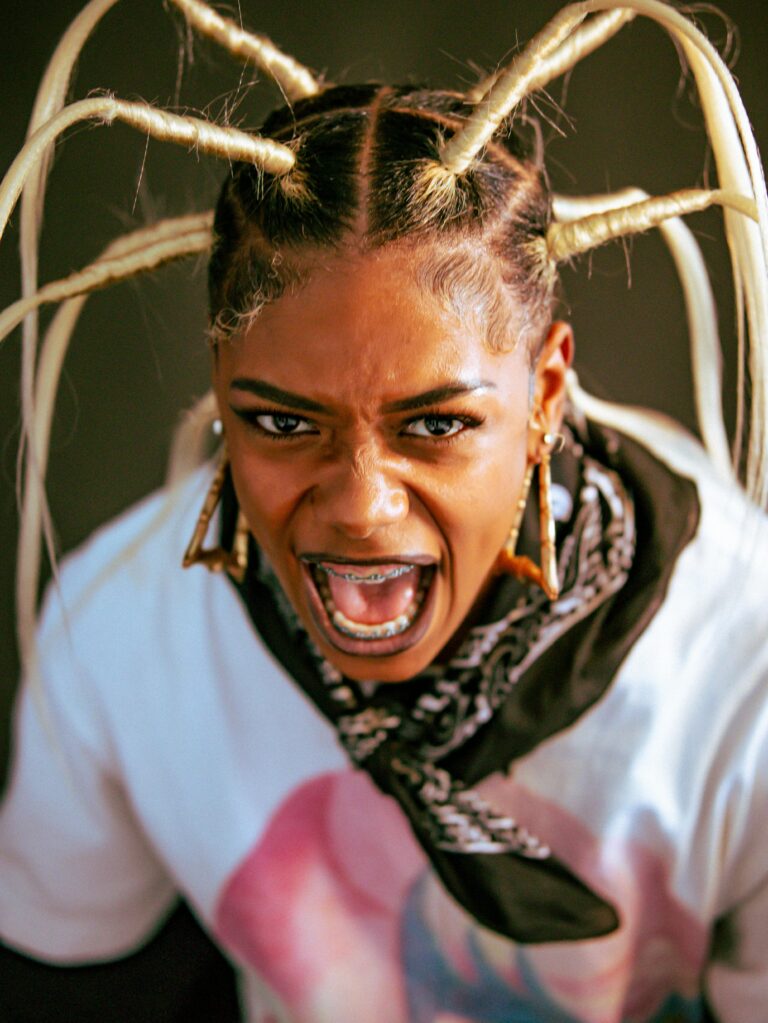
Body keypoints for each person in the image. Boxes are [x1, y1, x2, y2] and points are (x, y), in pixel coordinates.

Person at [1, 1, 767, 1020]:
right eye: (280, 423)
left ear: (544, 394)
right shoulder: (118, 638)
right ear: (220, 386)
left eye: (436, 426)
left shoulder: (740, 667)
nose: (360, 508)